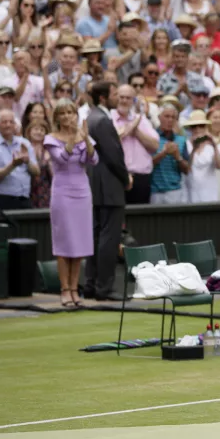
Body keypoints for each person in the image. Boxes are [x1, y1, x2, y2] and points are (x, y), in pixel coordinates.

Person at [46, 101, 99, 307]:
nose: (68, 116)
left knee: (79, 243)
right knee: (64, 243)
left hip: (82, 191)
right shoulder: (51, 139)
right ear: (57, 118)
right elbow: (61, 159)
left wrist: (85, 138)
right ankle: (65, 289)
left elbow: (93, 160)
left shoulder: (82, 135)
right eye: (64, 113)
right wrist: (73, 140)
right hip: (62, 192)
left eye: (71, 112)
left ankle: (76, 288)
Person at [84, 82, 132, 302]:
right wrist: (126, 177)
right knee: (108, 238)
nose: (117, 97)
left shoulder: (92, 117)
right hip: (108, 186)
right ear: (103, 98)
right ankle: (104, 287)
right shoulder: (102, 120)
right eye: (114, 94)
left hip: (96, 186)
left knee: (96, 236)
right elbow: (114, 155)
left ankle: (92, 285)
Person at [0, 109, 39, 210]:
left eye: (11, 122)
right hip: (2, 199)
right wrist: (12, 165)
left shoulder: (24, 143)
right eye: (4, 122)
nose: (8, 125)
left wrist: (27, 160)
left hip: (24, 198)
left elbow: (37, 171)